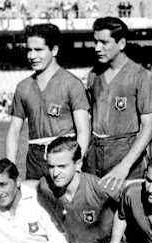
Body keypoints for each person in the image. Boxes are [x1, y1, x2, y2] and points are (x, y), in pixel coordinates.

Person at [6, 23, 90, 180]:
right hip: (34, 160)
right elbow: (14, 131)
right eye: (29, 50)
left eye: (38, 50)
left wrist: (77, 163)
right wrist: (10, 167)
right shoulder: (23, 87)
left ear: (54, 50)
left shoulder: (72, 84)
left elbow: (83, 130)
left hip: (64, 157)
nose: (32, 56)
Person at [87, 17, 152, 191]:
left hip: (127, 156)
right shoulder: (93, 74)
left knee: (126, 212)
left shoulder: (141, 76)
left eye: (104, 42)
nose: (97, 48)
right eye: (95, 42)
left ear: (121, 43)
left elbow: (148, 128)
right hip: (95, 156)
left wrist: (125, 165)